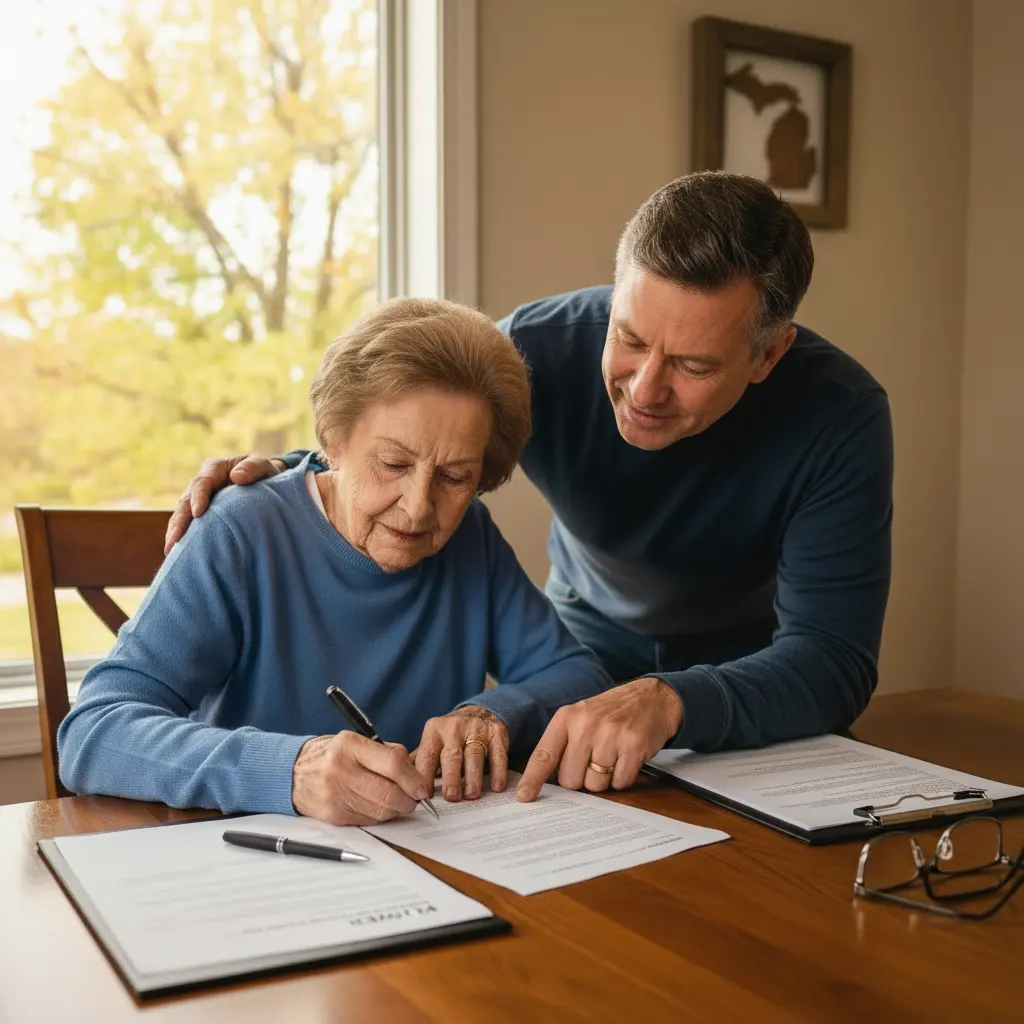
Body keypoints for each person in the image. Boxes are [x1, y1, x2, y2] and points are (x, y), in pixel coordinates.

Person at [166, 172, 893, 806]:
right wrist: (298, 473)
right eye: (630, 338)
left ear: (768, 354)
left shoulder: (839, 416)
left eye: (694, 366)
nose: (644, 389)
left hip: (748, 694)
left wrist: (675, 700)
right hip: (580, 675)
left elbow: (832, 657)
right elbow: (420, 422)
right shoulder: (539, 351)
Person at [57, 298, 613, 823]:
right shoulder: (240, 531)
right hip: (252, 865)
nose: (419, 508)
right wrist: (292, 770)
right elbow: (94, 732)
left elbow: (580, 675)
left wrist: (493, 712)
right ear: (333, 439)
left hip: (426, 857)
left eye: (454, 477)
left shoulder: (470, 537)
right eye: (393, 463)